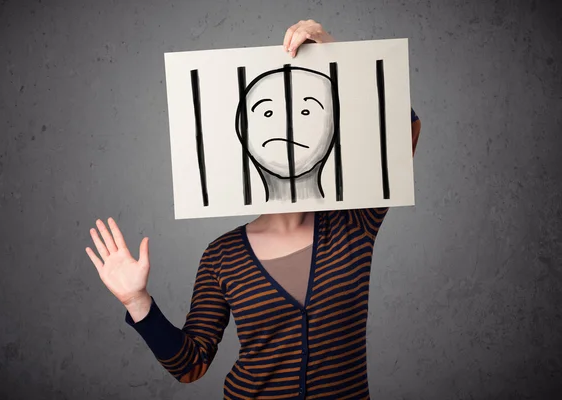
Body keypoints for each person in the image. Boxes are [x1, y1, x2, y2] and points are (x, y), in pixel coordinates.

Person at [86, 19, 422, 400]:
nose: (288, 125)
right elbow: (190, 365)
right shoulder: (222, 256)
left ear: (332, 129)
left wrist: (338, 59)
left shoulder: (355, 222)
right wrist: (137, 302)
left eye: (307, 112)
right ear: (242, 132)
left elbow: (404, 128)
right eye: (266, 113)